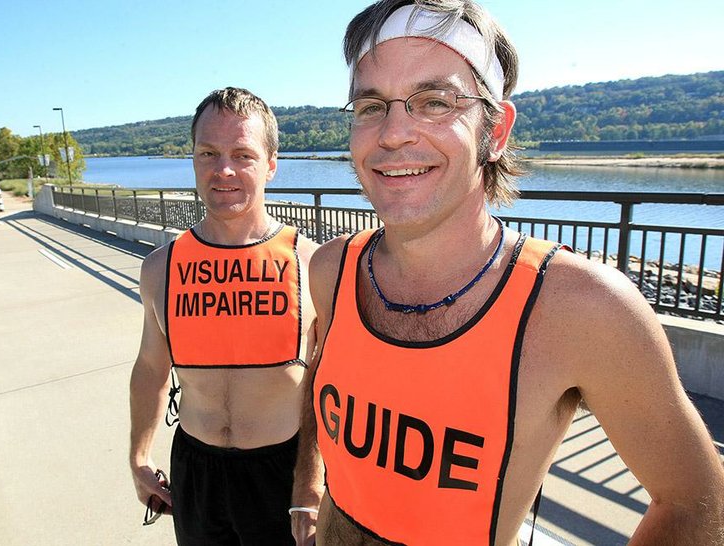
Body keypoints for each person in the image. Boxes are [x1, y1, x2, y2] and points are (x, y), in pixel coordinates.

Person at [291, 2, 724, 545]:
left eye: (434, 102)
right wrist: (304, 493)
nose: (393, 133)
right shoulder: (332, 268)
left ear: (495, 131)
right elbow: (318, 374)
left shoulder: (578, 307)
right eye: (371, 106)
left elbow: (694, 501)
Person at [130, 87, 318, 546]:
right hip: (196, 471)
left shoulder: (311, 263)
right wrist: (138, 457)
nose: (224, 170)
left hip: (282, 471)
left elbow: (328, 382)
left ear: (271, 163)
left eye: (242, 154)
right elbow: (151, 367)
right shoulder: (161, 267)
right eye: (208, 153)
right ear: (192, 160)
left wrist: (312, 483)